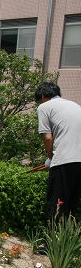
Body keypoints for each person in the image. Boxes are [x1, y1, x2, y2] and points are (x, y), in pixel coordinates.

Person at [36, 81, 81, 222]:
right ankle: (68, 241)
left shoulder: (44, 107)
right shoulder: (76, 106)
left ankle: (52, 243)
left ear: (42, 95)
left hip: (64, 161)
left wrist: (51, 158)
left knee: (57, 205)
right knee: (71, 206)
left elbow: (48, 137)